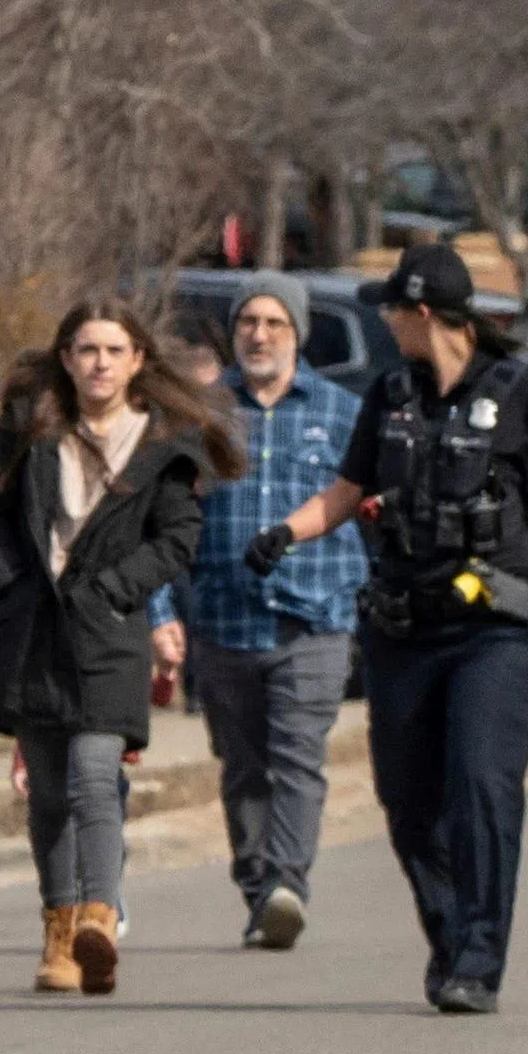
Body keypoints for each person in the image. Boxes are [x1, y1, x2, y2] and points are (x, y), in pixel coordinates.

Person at [246, 244, 528, 1013]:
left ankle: (479, 961)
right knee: (408, 800)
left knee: (481, 782)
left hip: (494, 632)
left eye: (390, 309)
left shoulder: (523, 391)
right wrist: (287, 532)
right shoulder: (391, 393)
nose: (384, 320)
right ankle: (449, 938)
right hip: (403, 626)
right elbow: (349, 490)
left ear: (420, 313)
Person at [0, 297, 240, 996]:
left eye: (113, 350)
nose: (99, 363)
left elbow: (177, 537)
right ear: (66, 358)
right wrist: (12, 579)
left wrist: (113, 589)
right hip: (33, 632)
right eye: (85, 349)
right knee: (47, 794)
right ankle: (59, 933)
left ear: (137, 360)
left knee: (93, 771)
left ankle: (98, 919)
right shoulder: (31, 426)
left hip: (108, 633)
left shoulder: (163, 443)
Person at [185, 273, 365, 949]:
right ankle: (259, 886)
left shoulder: (343, 411)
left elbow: (364, 502)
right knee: (242, 764)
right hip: (224, 617)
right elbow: (174, 513)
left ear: (297, 333)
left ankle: (289, 884)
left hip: (315, 613)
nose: (259, 335)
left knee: (297, 755)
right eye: (248, 323)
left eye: (273, 323)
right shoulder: (203, 410)